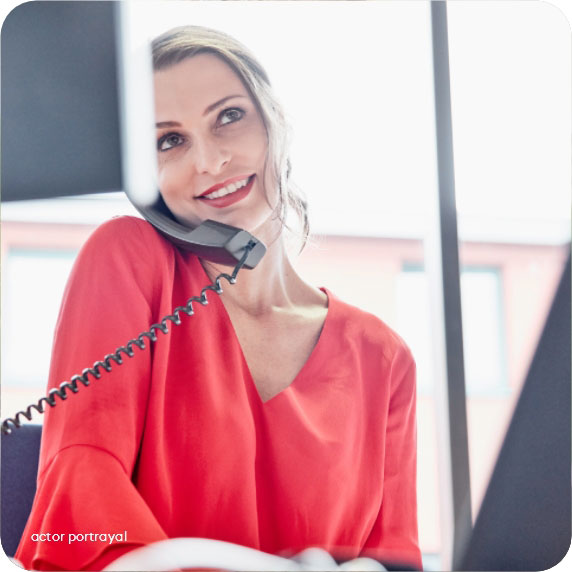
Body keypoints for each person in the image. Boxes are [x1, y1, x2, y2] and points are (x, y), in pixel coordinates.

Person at [15, 26, 422, 571]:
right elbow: (82, 479)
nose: (209, 162)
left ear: (274, 123)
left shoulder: (382, 356)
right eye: (169, 141)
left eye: (229, 116)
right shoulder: (129, 259)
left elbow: (394, 558)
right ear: (145, 180)